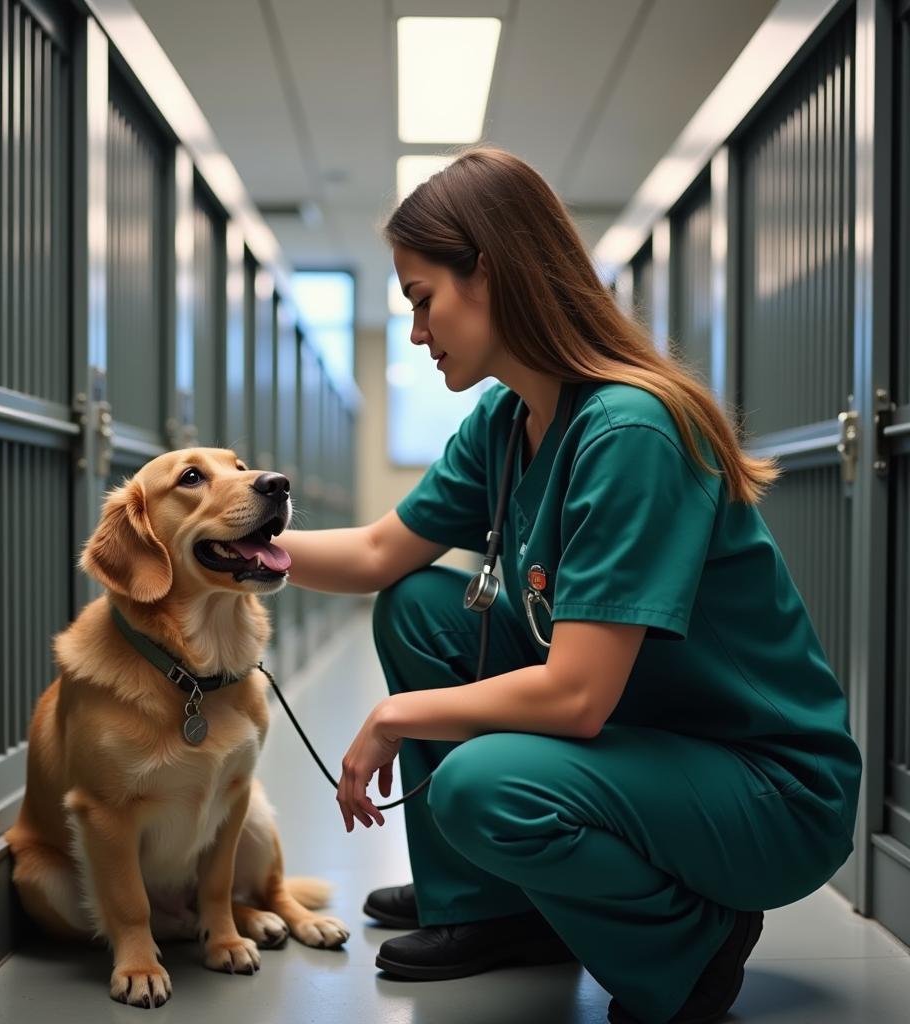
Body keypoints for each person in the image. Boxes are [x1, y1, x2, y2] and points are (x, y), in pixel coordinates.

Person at [276, 146, 862, 1024]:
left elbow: (581, 696)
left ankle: (690, 948)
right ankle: (496, 911)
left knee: (483, 783)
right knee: (421, 606)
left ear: (492, 273)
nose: (417, 332)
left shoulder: (632, 430)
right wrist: (237, 550)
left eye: (422, 300)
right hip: (647, 740)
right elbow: (376, 555)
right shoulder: (509, 419)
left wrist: (396, 715)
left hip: (764, 787)